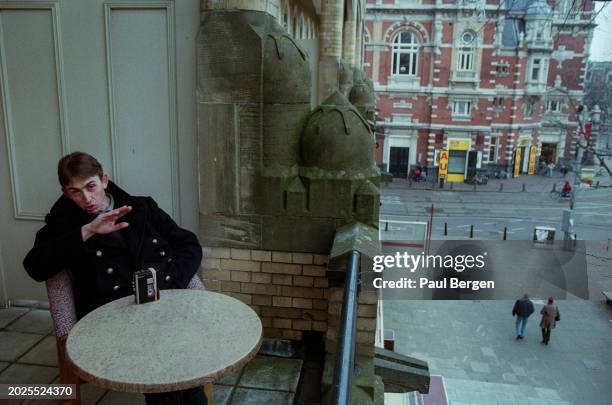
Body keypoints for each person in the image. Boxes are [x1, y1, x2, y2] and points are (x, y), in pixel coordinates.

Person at [23, 152, 206, 405]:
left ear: (104, 181)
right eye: (75, 192)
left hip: (161, 302)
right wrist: (86, 231)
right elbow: (34, 267)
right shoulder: (63, 226)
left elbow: (189, 245)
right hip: (111, 318)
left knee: (182, 364)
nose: (86, 199)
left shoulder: (142, 207)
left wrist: (170, 284)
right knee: (167, 368)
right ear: (65, 193)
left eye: (90, 187)